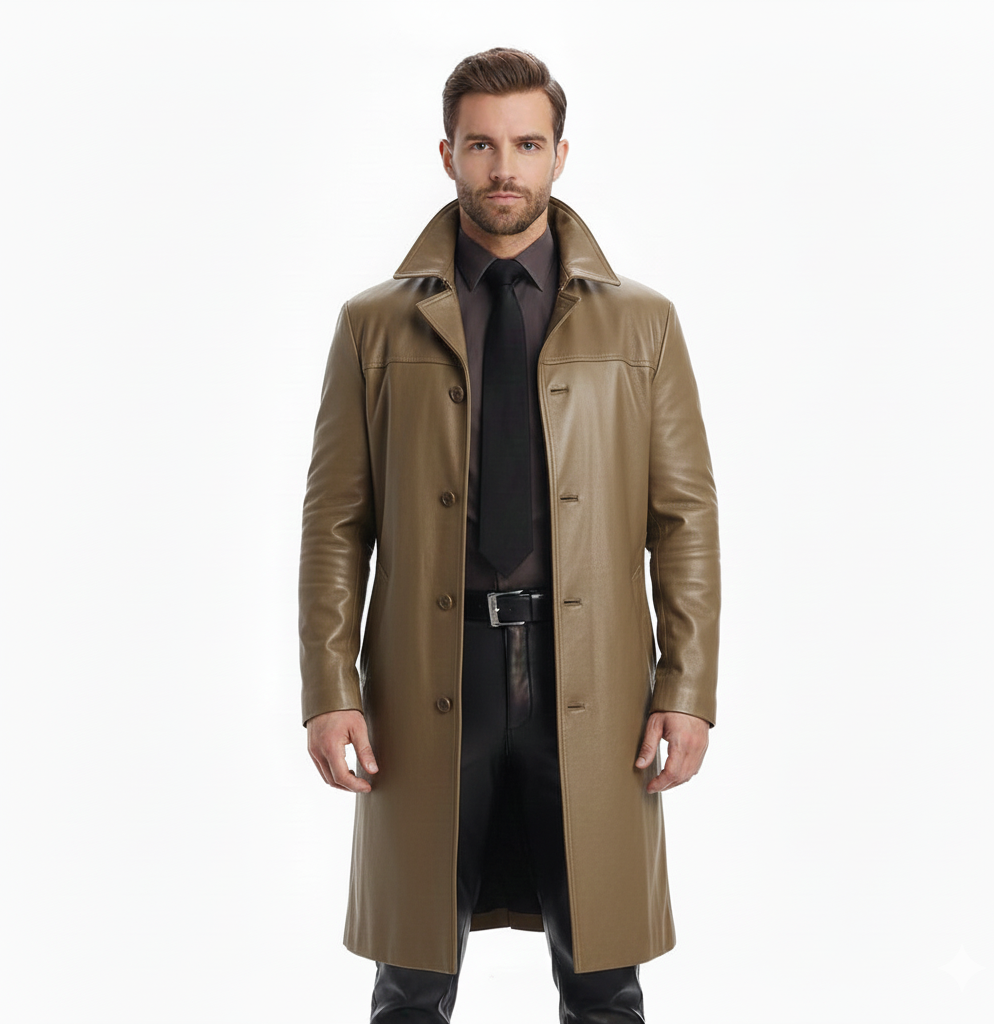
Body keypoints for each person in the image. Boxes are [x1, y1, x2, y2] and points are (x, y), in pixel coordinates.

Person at [299, 47, 720, 1023]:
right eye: (482, 145)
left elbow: (684, 518)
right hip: (428, 675)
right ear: (446, 153)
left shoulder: (643, 325)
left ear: (559, 155)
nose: (504, 168)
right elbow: (335, 522)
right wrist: (329, 687)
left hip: (594, 678)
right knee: (411, 980)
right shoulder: (372, 326)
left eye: (527, 145)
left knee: (604, 976)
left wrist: (686, 687)